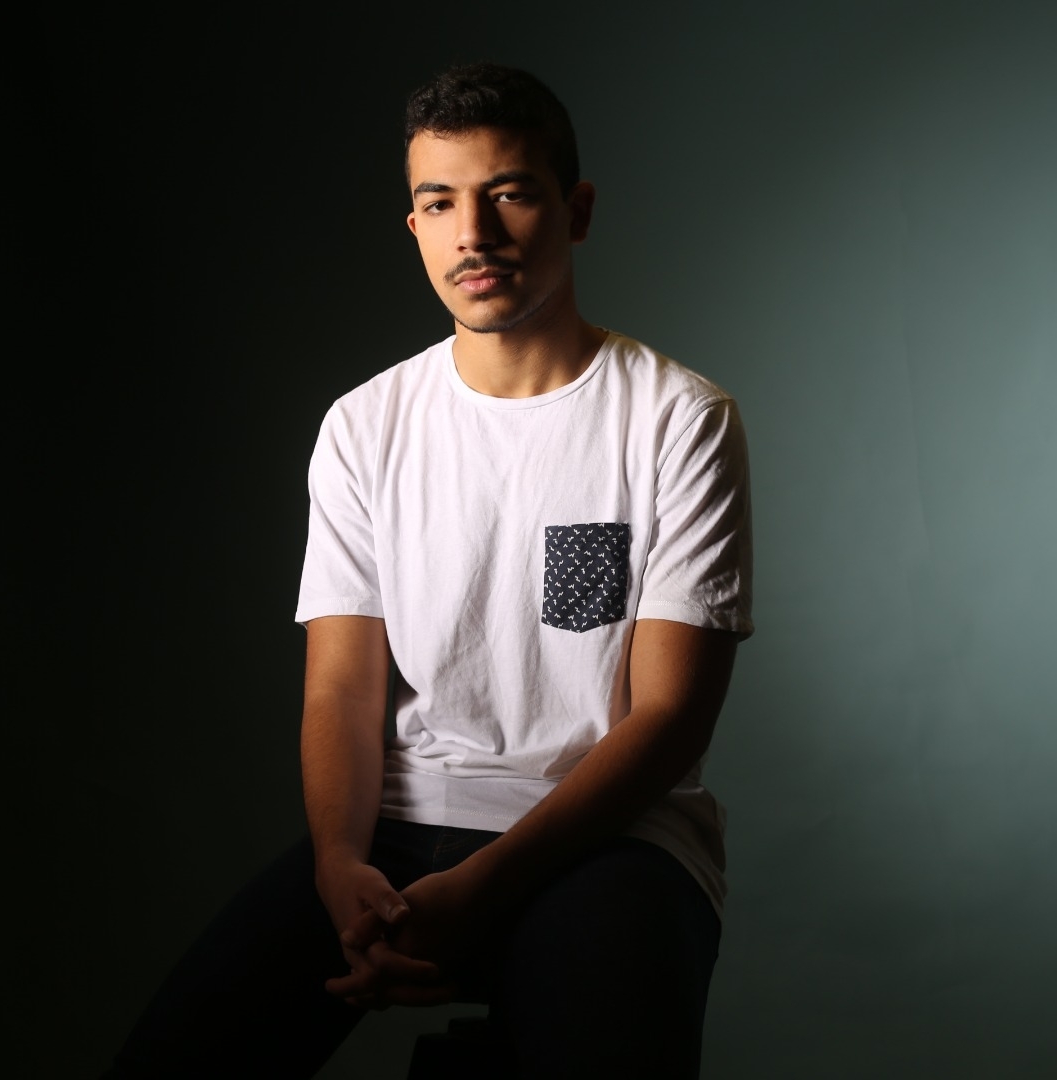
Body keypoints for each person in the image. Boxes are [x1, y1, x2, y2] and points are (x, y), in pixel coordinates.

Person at [108, 61, 752, 1079]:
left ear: (577, 210)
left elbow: (669, 719)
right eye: (440, 203)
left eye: (510, 193)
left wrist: (486, 884)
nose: (474, 234)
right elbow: (342, 688)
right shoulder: (364, 426)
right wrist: (338, 865)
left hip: (614, 835)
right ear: (413, 227)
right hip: (400, 824)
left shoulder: (679, 419)